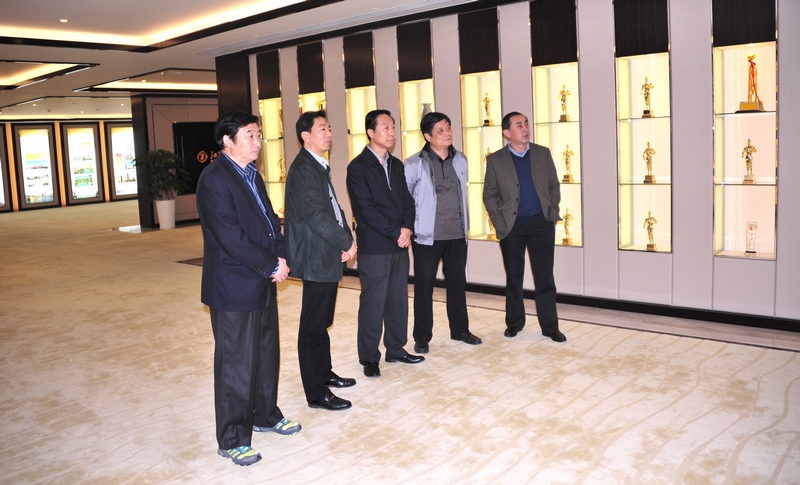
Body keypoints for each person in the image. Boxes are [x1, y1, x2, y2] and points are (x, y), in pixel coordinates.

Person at [196, 111, 300, 467]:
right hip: (233, 285)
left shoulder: (252, 173)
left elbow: (271, 221)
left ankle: (265, 414)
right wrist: (271, 264)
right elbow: (230, 236)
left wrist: (281, 256)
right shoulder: (214, 179)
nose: (258, 142)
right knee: (236, 364)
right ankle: (232, 439)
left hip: (262, 278)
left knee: (266, 352)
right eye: (250, 136)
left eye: (258, 135)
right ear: (228, 141)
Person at [285, 110, 357, 411]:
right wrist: (346, 241)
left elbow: (333, 209)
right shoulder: (304, 169)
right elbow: (316, 216)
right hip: (316, 255)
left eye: (329, 128)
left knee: (323, 321)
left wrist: (346, 236)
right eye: (322, 129)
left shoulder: (317, 165)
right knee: (313, 326)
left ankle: (324, 373)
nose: (329, 134)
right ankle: (316, 393)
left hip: (326, 253)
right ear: (305, 136)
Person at [346, 109, 423, 377]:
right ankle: (369, 357)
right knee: (373, 302)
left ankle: (396, 348)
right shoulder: (357, 167)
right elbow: (365, 210)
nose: (391, 133)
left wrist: (407, 228)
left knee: (398, 300)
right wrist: (396, 231)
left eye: (393, 127)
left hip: (399, 243)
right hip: (375, 246)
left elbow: (407, 201)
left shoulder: (396, 165)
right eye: (385, 128)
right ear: (371, 132)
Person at [483, 111, 565, 343]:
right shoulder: (495, 160)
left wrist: (552, 210)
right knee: (514, 277)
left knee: (545, 277)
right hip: (512, 227)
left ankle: (550, 326)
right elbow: (489, 195)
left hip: (541, 224)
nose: (525, 128)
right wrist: (499, 223)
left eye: (526, 123)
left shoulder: (542, 153)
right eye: (519, 125)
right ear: (506, 133)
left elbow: (553, 185)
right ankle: (514, 323)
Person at [404, 111, 482, 354]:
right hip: (427, 236)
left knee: (457, 284)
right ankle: (422, 336)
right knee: (424, 286)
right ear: (428, 136)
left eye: (448, 127)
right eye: (440, 130)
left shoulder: (461, 159)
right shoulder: (413, 164)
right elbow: (406, 201)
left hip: (457, 233)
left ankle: (460, 330)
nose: (447, 133)